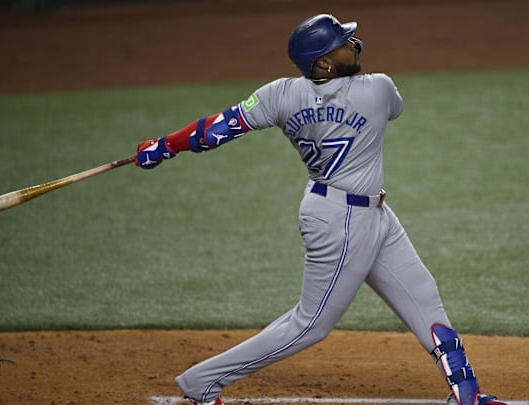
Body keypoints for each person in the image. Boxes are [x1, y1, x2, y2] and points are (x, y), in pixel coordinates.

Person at [135, 14, 506, 405]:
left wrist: (163, 146)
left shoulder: (279, 94)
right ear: (325, 63)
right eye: (345, 42)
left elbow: (214, 130)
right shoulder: (378, 89)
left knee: (423, 294)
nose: (355, 44)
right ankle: (203, 381)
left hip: (365, 213)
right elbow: (394, 108)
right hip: (341, 224)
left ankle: (467, 394)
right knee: (310, 324)